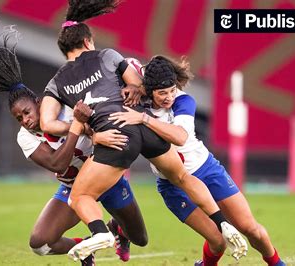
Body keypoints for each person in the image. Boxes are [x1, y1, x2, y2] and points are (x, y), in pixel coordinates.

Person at [39, 0, 245, 261]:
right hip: (142, 125)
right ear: (89, 41)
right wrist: (130, 91)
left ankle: (100, 232)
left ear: (64, 50)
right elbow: (138, 86)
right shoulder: (109, 56)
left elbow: (47, 124)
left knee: (80, 196)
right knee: (181, 176)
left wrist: (84, 128)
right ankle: (222, 221)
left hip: (114, 136)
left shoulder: (57, 82)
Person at [0, 12, 148, 265]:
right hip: (72, 188)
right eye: (18, 118)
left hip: (105, 177)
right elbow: (58, 164)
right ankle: (85, 247)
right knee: (40, 243)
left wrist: (91, 128)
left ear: (40, 103)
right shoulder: (26, 137)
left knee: (140, 237)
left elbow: (98, 123)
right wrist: (77, 127)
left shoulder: (65, 107)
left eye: (26, 112)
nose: (25, 120)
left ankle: (118, 230)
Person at [107, 55, 286, 266]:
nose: (169, 97)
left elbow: (181, 137)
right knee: (218, 241)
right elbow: (120, 66)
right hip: (173, 185)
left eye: (172, 90)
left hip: (207, 170)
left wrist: (145, 120)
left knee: (250, 228)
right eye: (162, 93)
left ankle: (277, 263)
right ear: (150, 90)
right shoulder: (137, 105)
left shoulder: (183, 101)